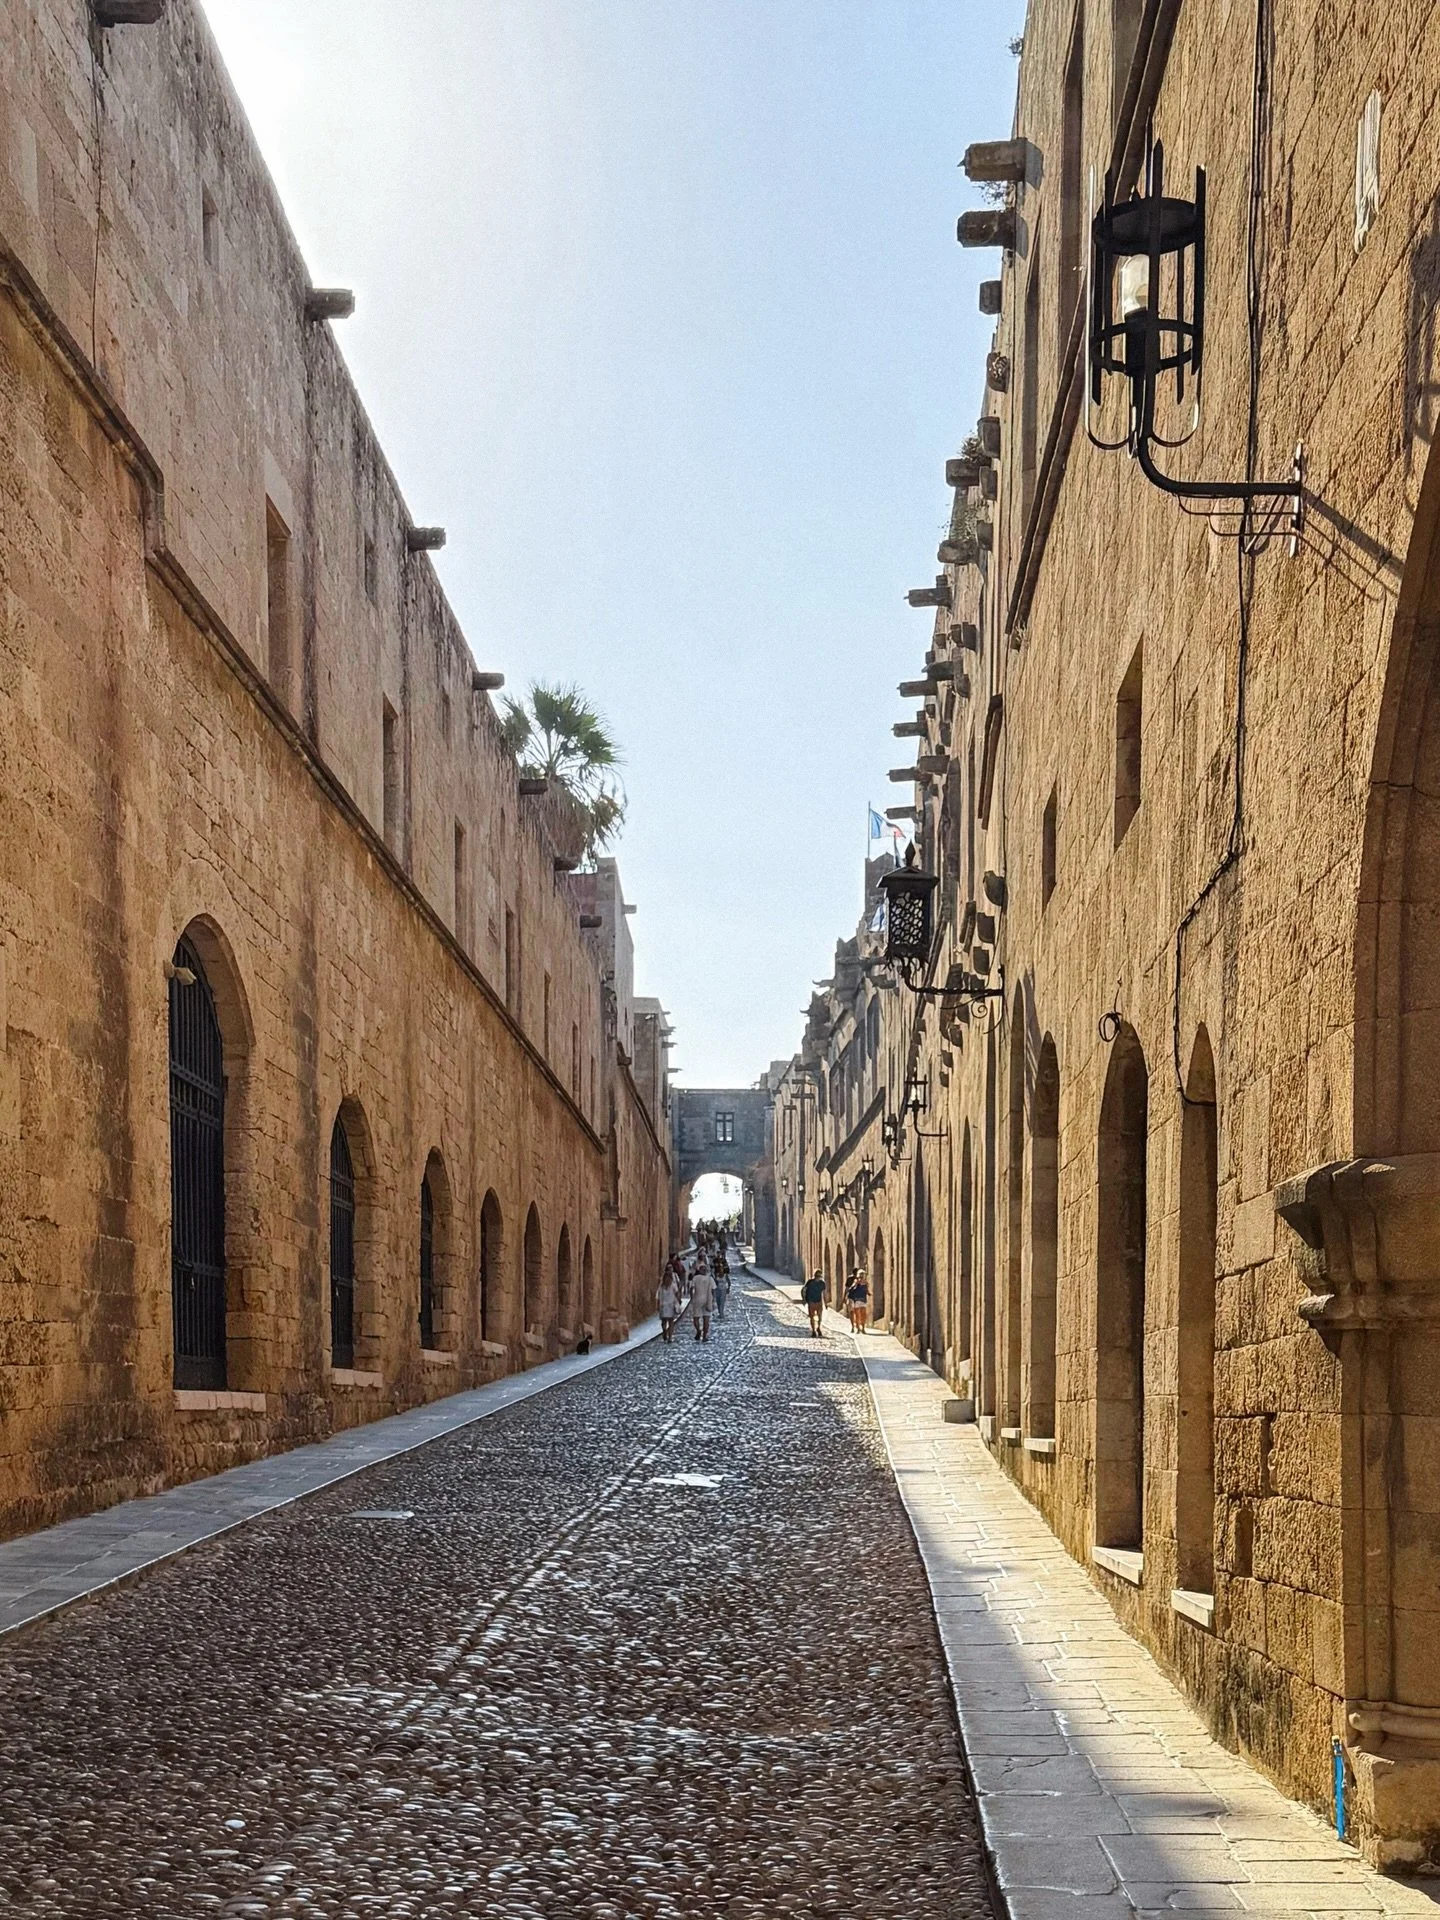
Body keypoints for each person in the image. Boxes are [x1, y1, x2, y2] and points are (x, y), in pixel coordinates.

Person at [689, 1260, 715, 1342]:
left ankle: (698, 1331)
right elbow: (713, 1290)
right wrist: (712, 1300)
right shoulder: (710, 1279)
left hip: (697, 1299)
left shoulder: (695, 1278)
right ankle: (704, 1336)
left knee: (696, 1318)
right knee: (706, 1319)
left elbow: (691, 1288)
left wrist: (692, 1298)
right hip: (707, 1299)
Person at [656, 1268, 682, 1344]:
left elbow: (658, 1296)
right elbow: (677, 1294)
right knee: (670, 1322)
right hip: (669, 1306)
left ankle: (666, 1333)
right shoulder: (671, 1286)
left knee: (665, 1322)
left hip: (665, 1306)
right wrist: (678, 1300)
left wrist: (657, 1306)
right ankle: (669, 1336)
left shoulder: (662, 1287)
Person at [801, 1269, 826, 1338]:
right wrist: (804, 1299)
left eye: (819, 1276)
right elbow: (804, 1290)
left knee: (819, 1316)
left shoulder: (822, 1283)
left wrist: (825, 1303)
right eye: (818, 1276)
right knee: (812, 1317)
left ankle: (818, 1327)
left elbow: (823, 1293)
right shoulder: (810, 1282)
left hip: (818, 1302)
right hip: (811, 1301)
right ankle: (813, 1330)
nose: (818, 1277)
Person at [845, 1268, 870, 1334]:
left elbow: (866, 1290)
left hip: (863, 1300)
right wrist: (856, 1285)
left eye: (863, 1275)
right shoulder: (855, 1281)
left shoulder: (865, 1282)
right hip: (856, 1300)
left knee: (863, 1315)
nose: (862, 1276)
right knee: (857, 1315)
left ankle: (863, 1328)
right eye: (861, 1275)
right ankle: (858, 1328)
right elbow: (850, 1289)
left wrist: (868, 1293)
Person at [713, 1255, 731, 1323]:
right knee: (718, 1301)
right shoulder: (716, 1275)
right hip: (717, 1290)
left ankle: (721, 1313)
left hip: (723, 1289)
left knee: (722, 1302)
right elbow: (714, 1282)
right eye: (720, 1269)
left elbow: (729, 1282)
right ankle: (719, 1311)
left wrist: (728, 1288)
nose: (721, 1270)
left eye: (721, 1269)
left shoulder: (725, 1275)